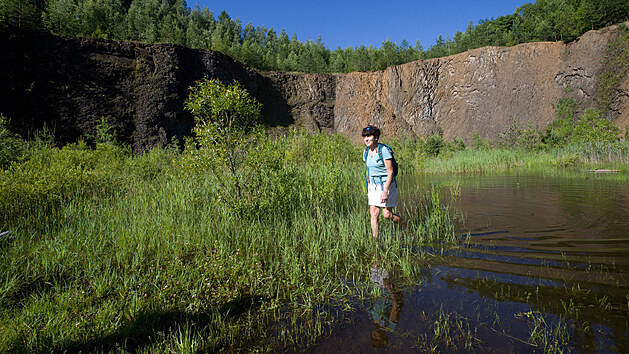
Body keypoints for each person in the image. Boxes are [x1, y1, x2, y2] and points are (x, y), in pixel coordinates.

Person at [362, 125, 401, 238]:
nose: (366, 139)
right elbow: (369, 170)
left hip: (386, 184)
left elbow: (390, 172)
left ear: (376, 137)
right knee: (374, 212)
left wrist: (385, 191)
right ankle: (376, 240)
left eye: (369, 136)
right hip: (373, 185)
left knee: (387, 215)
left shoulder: (384, 150)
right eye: (364, 136)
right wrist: (369, 186)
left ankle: (405, 224)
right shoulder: (366, 152)